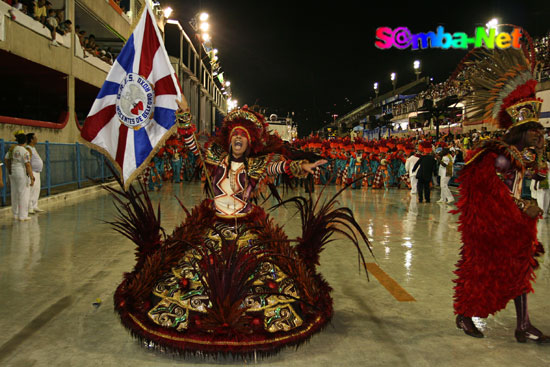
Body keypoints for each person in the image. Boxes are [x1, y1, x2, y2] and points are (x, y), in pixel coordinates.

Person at [111, 105, 373, 356]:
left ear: (250, 143)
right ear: (229, 140)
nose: (238, 138)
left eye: (243, 136)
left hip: (245, 227)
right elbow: (191, 142)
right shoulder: (213, 157)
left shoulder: (257, 165)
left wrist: (300, 166)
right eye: (235, 134)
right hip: (211, 226)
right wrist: (184, 115)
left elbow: (280, 166)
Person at [453, 46, 550, 343]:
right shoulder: (500, 156)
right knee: (482, 273)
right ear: (521, 132)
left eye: (540, 131)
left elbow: (532, 179)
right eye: (534, 131)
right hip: (493, 227)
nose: (539, 135)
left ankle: (523, 325)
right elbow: (492, 193)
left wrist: (526, 209)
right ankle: (465, 314)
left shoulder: (524, 155)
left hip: (517, 225)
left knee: (521, 271)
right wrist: (522, 206)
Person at [5, 130, 34, 221]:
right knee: (23, 194)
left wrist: (9, 169)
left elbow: (6, 159)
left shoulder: (12, 149)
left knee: (14, 193)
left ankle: (15, 213)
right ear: (25, 141)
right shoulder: (25, 151)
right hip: (21, 173)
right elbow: (27, 165)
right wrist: (32, 177)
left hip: (13, 173)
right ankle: (23, 215)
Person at [26, 133, 44, 214]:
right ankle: (29, 207)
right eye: (35, 138)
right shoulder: (28, 148)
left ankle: (35, 205)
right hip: (32, 171)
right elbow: (28, 161)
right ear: (31, 140)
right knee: (31, 190)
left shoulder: (33, 148)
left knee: (37, 189)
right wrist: (30, 174)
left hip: (37, 171)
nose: (37, 139)